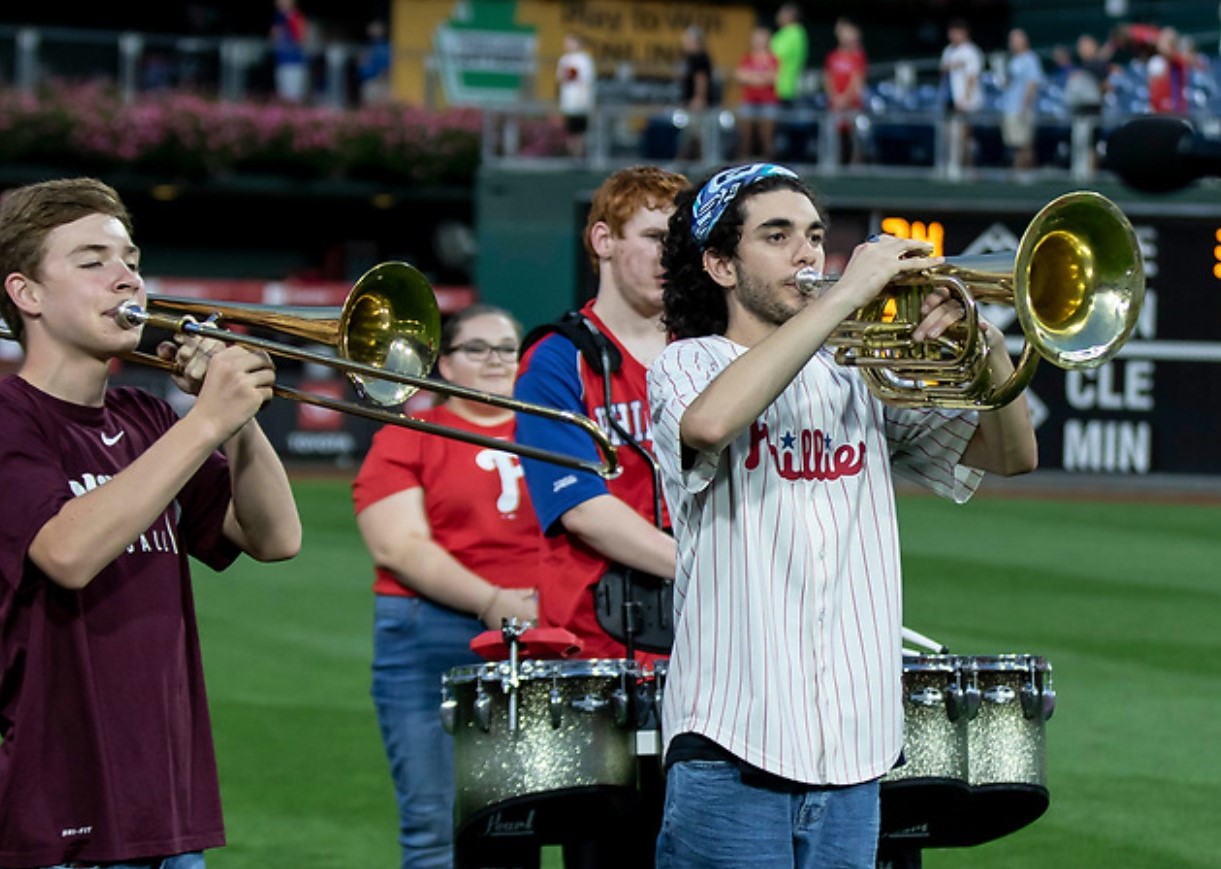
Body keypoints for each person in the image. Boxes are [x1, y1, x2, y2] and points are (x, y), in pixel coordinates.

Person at [647, 162, 1039, 868]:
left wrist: (985, 345)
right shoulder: (685, 363)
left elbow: (1010, 454)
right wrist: (849, 293)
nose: (807, 253)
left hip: (853, 760)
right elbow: (709, 423)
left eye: (814, 234)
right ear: (719, 265)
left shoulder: (857, 374)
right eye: (776, 235)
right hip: (732, 749)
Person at [0, 176, 302, 868]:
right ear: (27, 294)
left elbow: (276, 537)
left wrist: (239, 421)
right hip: (56, 815)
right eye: (92, 260)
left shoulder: (147, 419)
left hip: (166, 811)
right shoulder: (11, 417)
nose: (126, 277)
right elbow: (68, 550)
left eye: (130, 258)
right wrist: (205, 423)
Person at [513, 164, 689, 865]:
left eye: (680, 241)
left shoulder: (706, 353)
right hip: (600, 659)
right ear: (602, 240)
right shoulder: (555, 360)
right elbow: (581, 508)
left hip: (710, 654)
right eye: (652, 235)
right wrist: (717, 568)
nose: (669, 256)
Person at [351, 304, 543, 869]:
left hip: (540, 637)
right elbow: (397, 546)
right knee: (434, 826)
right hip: (428, 632)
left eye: (506, 348)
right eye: (476, 349)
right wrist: (493, 601)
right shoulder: (411, 433)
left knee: (518, 826)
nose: (494, 360)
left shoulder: (554, 429)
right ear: (446, 365)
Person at [940, 18, 985, 171]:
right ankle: (951, 165)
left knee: (965, 137)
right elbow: (944, 73)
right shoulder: (948, 51)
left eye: (956, 32)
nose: (953, 36)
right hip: (950, 100)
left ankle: (966, 168)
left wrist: (965, 100)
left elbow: (972, 77)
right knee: (950, 135)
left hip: (967, 103)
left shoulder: (971, 51)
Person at [823, 16, 869, 165]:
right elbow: (828, 79)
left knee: (854, 139)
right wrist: (835, 98)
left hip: (852, 106)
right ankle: (831, 166)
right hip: (834, 106)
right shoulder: (832, 56)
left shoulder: (858, 56)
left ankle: (855, 167)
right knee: (833, 139)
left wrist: (844, 99)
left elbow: (857, 81)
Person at [1001, 28, 1045, 171]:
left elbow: (1032, 84)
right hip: (1010, 108)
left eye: (1015, 39)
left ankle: (1024, 175)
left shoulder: (1030, 59)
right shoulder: (1013, 61)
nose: (1012, 43)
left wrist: (1025, 107)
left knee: (1025, 144)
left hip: (1023, 109)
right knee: (1015, 145)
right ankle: (1017, 173)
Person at [734, 26, 780, 161]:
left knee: (766, 137)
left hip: (768, 102)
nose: (759, 41)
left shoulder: (773, 59)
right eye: (756, 37)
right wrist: (759, 77)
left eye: (762, 37)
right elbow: (740, 76)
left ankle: (769, 163)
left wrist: (752, 77)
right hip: (749, 101)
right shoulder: (746, 58)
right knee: (745, 136)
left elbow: (772, 78)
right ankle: (742, 163)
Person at [677, 26, 716, 161]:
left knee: (697, 137)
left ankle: (698, 166)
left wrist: (699, 98)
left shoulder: (699, 58)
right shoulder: (690, 58)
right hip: (689, 103)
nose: (684, 43)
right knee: (691, 136)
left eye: (687, 40)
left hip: (697, 105)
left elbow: (701, 79)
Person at [556, 32, 597, 159]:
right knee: (570, 131)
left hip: (581, 102)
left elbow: (587, 81)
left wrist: (585, 100)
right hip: (568, 101)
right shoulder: (564, 59)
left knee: (580, 132)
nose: (567, 45)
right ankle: (572, 156)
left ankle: (580, 156)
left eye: (570, 42)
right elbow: (559, 78)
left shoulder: (584, 60)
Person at [770, 3, 808, 114]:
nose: (778, 16)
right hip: (772, 87)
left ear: (791, 15)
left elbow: (774, 56)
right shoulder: (781, 33)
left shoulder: (796, 32)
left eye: (781, 13)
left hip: (786, 88)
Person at [270, 0, 309, 103]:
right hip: (282, 61)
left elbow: (301, 38)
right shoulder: (278, 17)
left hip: (295, 62)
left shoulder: (296, 16)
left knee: (294, 96)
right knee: (283, 96)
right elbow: (274, 36)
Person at [357, 18, 392, 106]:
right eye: (371, 28)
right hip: (369, 82)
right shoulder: (367, 46)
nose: (372, 31)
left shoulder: (386, 46)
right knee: (369, 108)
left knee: (383, 108)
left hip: (382, 82)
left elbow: (389, 63)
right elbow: (361, 65)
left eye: (376, 28)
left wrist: (385, 72)